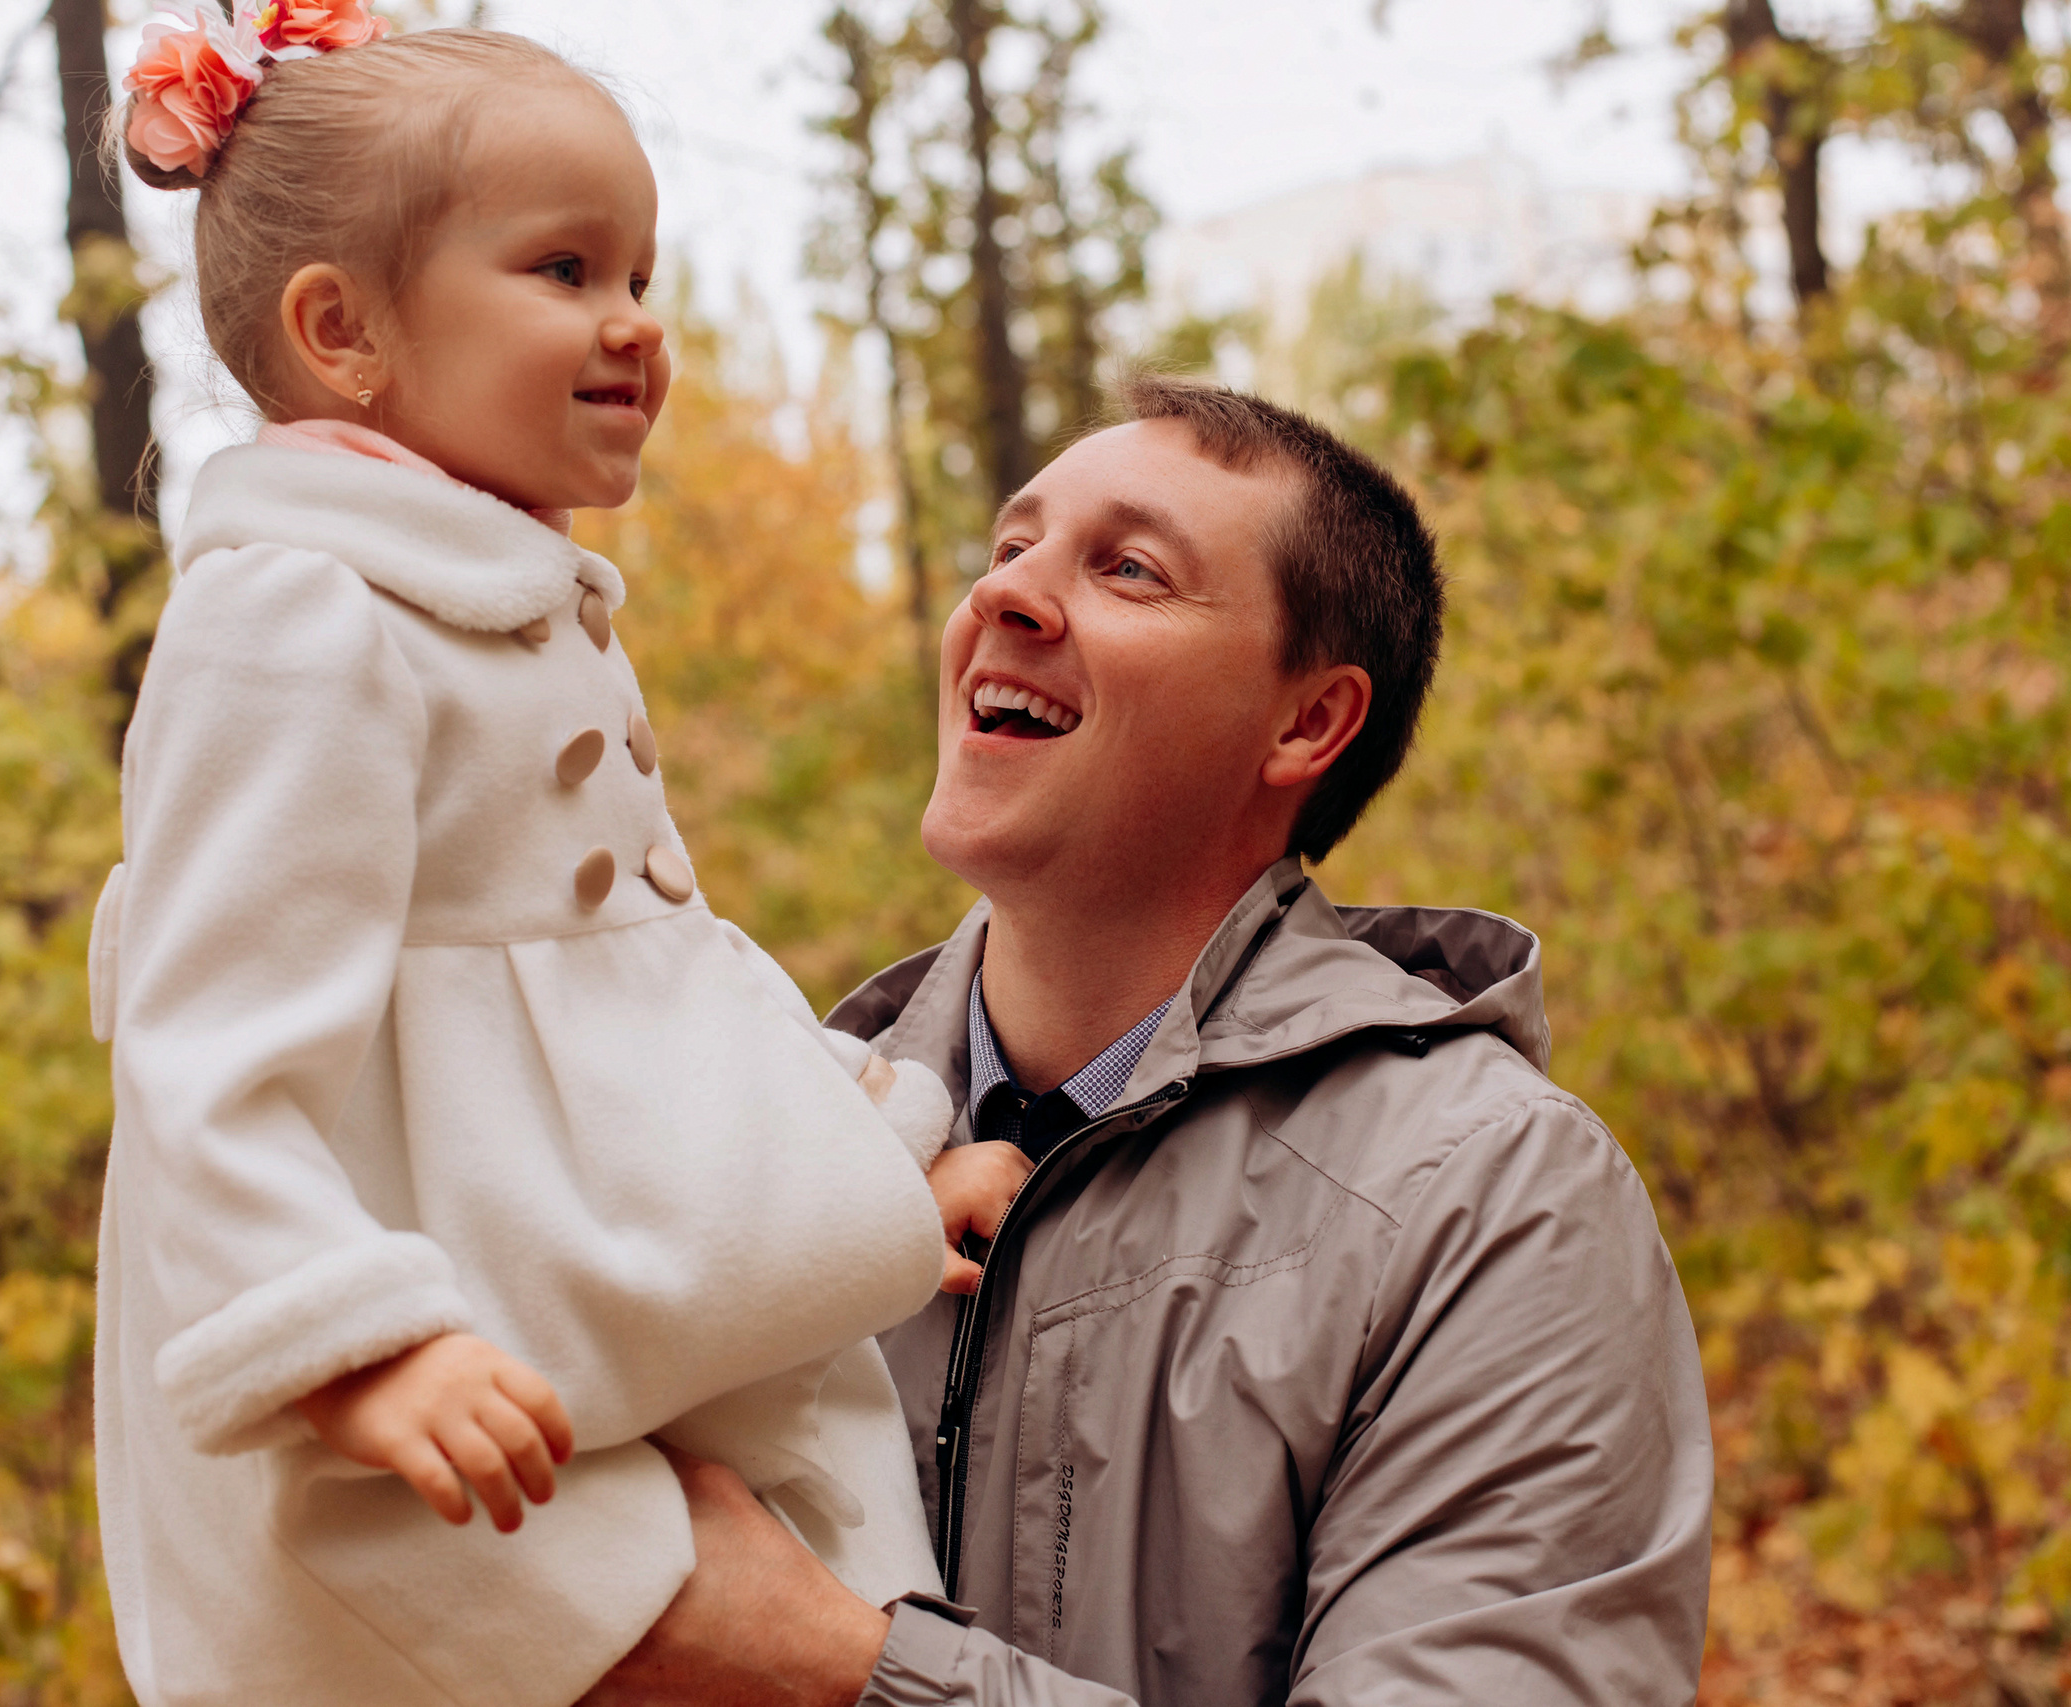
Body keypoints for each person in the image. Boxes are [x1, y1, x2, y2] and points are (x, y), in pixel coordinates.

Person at [86, 12, 1030, 1706]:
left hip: (585, 1315)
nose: (637, 322)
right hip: (448, 1372)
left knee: (828, 1570)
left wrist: (872, 1164)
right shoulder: (298, 612)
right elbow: (206, 1046)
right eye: (565, 268)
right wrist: (353, 1349)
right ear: (342, 331)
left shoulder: (502, 601)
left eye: (642, 273)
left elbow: (640, 996)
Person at [599, 377, 1716, 1707]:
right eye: (1012, 545)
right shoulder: (771, 1129)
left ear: (1307, 722)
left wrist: (853, 1676)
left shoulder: (1492, 1199)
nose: (1005, 594)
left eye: (1130, 569)